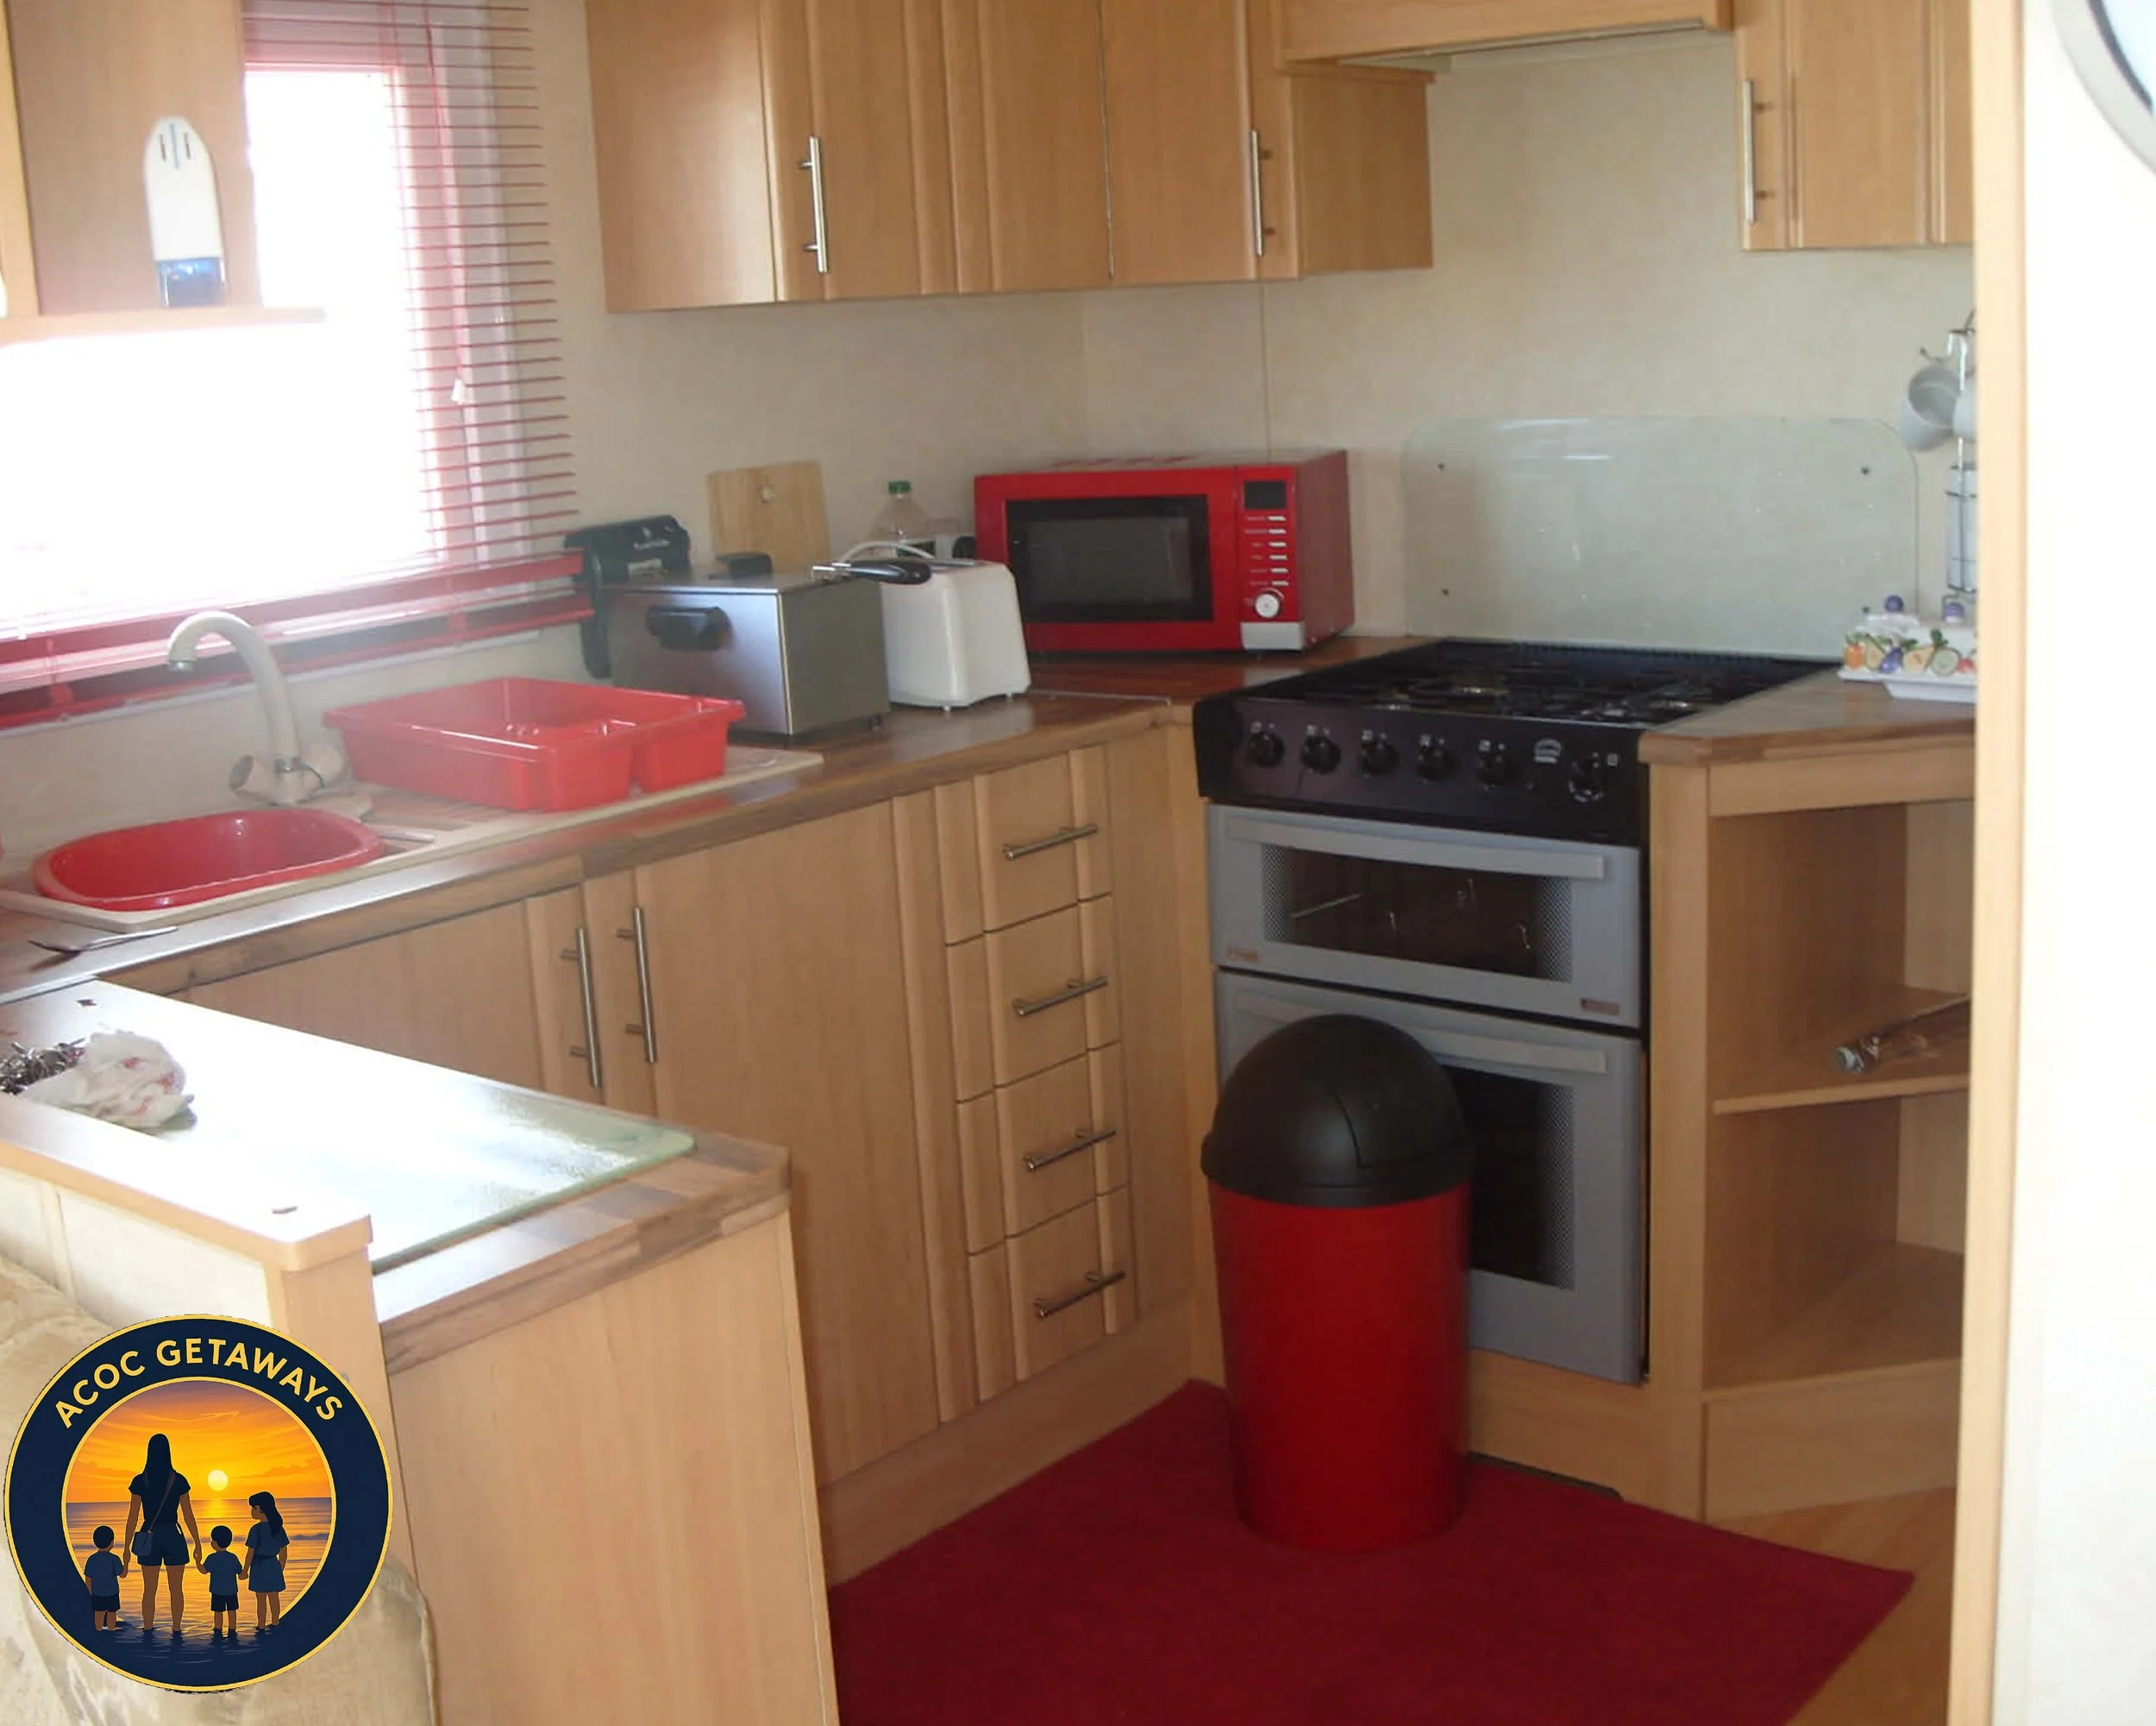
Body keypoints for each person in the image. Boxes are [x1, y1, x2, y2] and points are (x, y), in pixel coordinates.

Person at [119, 1434, 201, 1635]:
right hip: (173, 1535)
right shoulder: (179, 1480)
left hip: (149, 1536)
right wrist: (198, 1542)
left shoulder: (140, 1481)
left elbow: (133, 1516)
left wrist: (127, 1547)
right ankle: (176, 1629)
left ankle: (148, 1629)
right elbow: (188, 1513)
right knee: (176, 1589)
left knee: (149, 1590)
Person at [245, 1492, 288, 1629]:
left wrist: (245, 1570)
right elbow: (284, 1550)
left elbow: (250, 1552)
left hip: (259, 1565)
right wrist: (280, 1567)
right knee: (274, 1597)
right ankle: (276, 1622)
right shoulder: (278, 1528)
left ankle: (261, 1625)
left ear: (258, 1508)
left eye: (252, 1508)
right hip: (273, 1565)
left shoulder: (256, 1529)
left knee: (261, 1599)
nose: (252, 1511)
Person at [198, 1526, 244, 1637]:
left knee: (218, 1612)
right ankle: (232, 1629)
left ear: (215, 1542)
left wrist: (197, 1562)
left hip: (217, 1591)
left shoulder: (212, 1558)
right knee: (232, 1611)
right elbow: (240, 1571)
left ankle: (218, 1629)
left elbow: (204, 1570)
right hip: (231, 1591)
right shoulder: (233, 1557)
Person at [83, 1526, 123, 1631]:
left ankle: (98, 1629)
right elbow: (121, 1574)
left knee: (98, 1613)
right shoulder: (114, 1559)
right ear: (112, 1543)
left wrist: (89, 1594)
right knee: (112, 1613)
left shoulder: (91, 1559)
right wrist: (125, 1564)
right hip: (112, 1593)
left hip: (97, 1593)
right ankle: (111, 1628)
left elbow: (88, 1579)